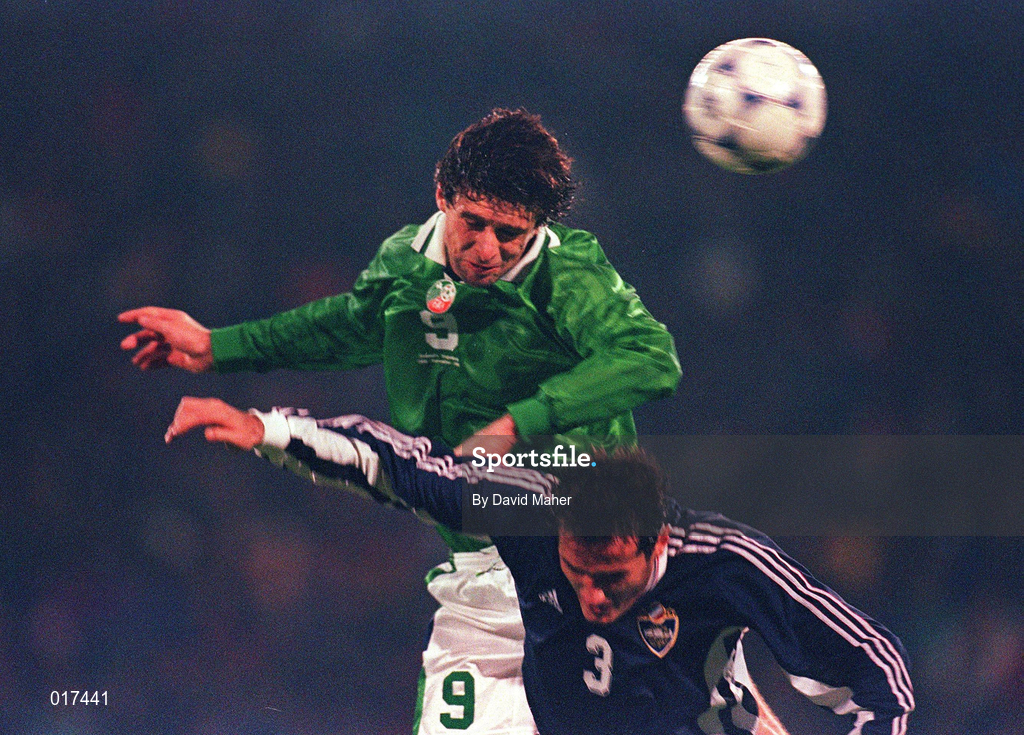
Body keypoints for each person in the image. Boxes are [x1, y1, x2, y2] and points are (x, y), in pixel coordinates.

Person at [120, 108, 682, 734]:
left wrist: (520, 421)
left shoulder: (568, 273)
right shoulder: (406, 264)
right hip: (481, 583)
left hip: (587, 569)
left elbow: (651, 357)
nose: (487, 250)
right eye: (473, 223)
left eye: (510, 233)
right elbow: (352, 326)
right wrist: (216, 346)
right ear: (442, 195)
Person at [163, 396, 915, 735]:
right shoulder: (526, 510)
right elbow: (401, 464)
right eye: (576, 571)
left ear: (658, 545)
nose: (590, 596)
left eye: (612, 578)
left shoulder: (726, 563)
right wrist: (268, 428)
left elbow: (877, 674)